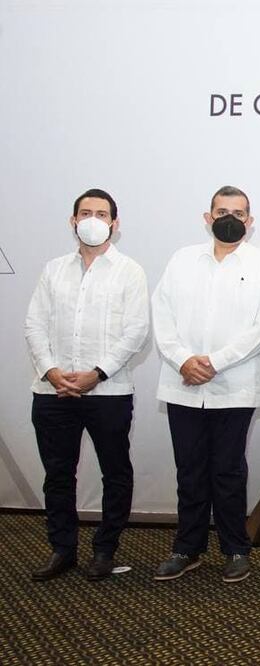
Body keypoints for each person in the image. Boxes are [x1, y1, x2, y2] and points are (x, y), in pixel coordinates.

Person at [151, 185, 260, 584]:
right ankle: (187, 548)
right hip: (183, 382)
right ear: (207, 218)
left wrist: (216, 362)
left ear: (250, 221)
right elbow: (163, 314)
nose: (230, 218)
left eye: (238, 213)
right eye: (222, 211)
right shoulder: (181, 260)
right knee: (189, 471)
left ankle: (236, 549)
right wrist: (184, 360)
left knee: (227, 471)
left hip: (235, 384)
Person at [24, 188, 149, 582]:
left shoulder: (130, 271)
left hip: (108, 393)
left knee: (115, 472)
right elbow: (34, 325)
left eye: (101, 213)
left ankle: (105, 549)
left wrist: (98, 373)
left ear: (115, 223)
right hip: (53, 392)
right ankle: (62, 549)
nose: (92, 218)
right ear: (73, 220)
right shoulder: (53, 270)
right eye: (85, 212)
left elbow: (136, 331)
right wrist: (50, 370)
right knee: (58, 474)